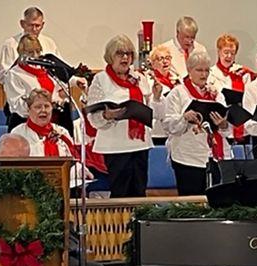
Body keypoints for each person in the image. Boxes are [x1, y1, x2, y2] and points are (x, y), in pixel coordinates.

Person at [0, 131, 107, 266]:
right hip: (0, 256)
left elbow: (60, 221)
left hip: (42, 253)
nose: (15, 167)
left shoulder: (39, 185)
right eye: (9, 160)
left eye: (22, 161)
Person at [87, 34, 158, 198]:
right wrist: (107, 115)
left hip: (140, 144)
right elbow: (93, 117)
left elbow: (152, 111)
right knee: (120, 193)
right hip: (115, 146)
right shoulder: (101, 80)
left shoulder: (139, 78)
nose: (125, 57)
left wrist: (157, 96)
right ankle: (121, 224)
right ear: (111, 56)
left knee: (139, 191)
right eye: (120, 53)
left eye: (128, 53)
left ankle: (137, 224)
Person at [163, 49, 231, 196]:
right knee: (190, 203)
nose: (204, 74)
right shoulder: (178, 93)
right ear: (189, 70)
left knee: (216, 201)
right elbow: (168, 124)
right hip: (187, 157)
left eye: (207, 70)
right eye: (199, 70)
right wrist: (184, 118)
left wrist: (223, 124)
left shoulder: (215, 93)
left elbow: (226, 125)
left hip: (214, 156)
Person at [3, 34, 71, 133]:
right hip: (25, 124)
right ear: (21, 53)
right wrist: (40, 104)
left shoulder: (47, 70)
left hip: (52, 122)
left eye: (38, 51)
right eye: (30, 52)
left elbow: (59, 92)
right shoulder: (14, 74)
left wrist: (61, 96)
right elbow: (17, 104)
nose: (35, 55)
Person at [208, 33, 255, 144]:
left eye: (232, 53)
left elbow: (249, 101)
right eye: (226, 52)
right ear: (218, 52)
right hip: (219, 127)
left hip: (241, 127)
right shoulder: (210, 74)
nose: (229, 56)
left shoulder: (243, 74)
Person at [0, 6, 59, 85]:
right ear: (22, 24)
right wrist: (18, 66)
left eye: (37, 26)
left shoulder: (50, 43)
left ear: (43, 25)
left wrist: (75, 81)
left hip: (46, 92)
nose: (34, 29)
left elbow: (60, 71)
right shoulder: (10, 44)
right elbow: (2, 78)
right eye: (30, 25)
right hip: (20, 92)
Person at [147, 45, 179, 145]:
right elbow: (150, 110)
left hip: (174, 131)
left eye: (167, 58)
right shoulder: (149, 82)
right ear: (152, 63)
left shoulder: (177, 80)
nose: (165, 62)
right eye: (160, 59)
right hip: (157, 132)